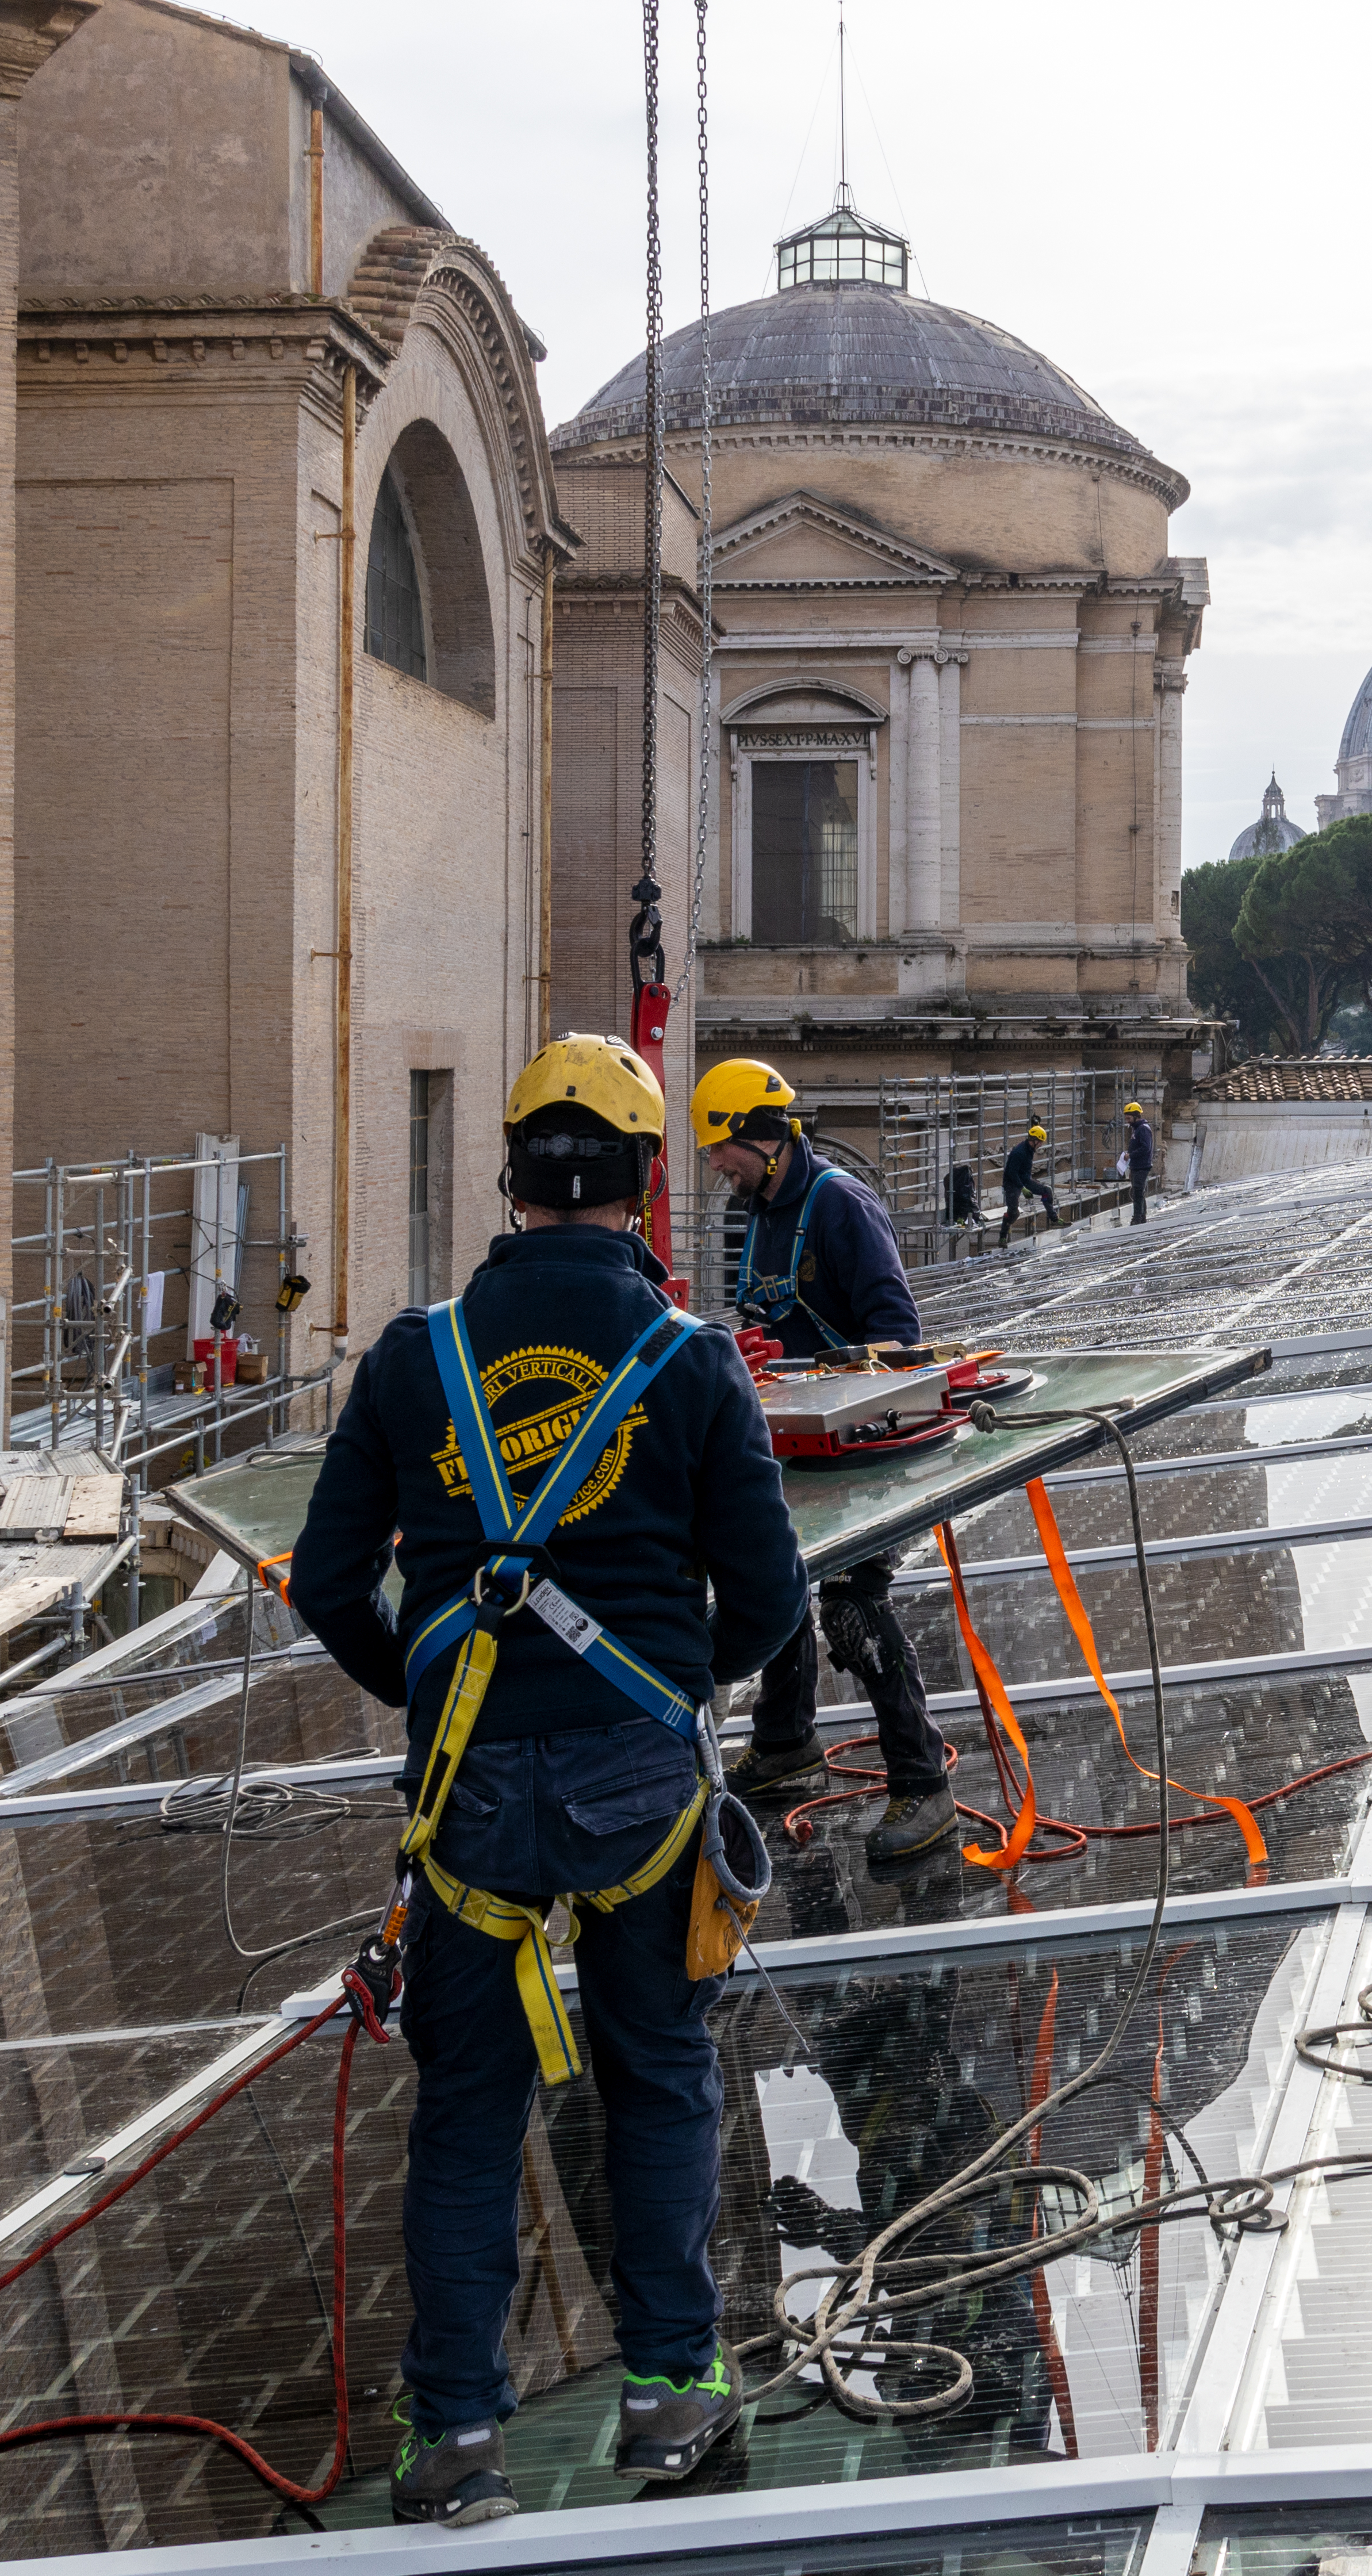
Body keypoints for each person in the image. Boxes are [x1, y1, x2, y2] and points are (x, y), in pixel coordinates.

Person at [287, 1034, 803, 2525]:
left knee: (468, 2112)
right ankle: (669, 2396)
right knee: (652, 2079)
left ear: (509, 1177)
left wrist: (424, 1683)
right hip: (636, 1788)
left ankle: (452, 2440)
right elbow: (769, 1599)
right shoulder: (690, 1362)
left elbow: (327, 1581)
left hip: (464, 1800)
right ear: (645, 1185)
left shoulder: (415, 1358)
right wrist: (670, 1676)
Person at [688, 1057, 961, 1865]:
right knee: (773, 1580)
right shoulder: (763, 1210)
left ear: (765, 1138)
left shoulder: (839, 1204)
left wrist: (826, 1377)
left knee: (851, 1602)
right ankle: (784, 1742)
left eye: (722, 1148)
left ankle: (922, 1784)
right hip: (798, 1445)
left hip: (864, 1447)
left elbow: (900, 1337)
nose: (716, 1165)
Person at [998, 1119, 1059, 1246]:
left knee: (1046, 1192)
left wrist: (1028, 1184)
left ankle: (1054, 1218)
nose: (1041, 1145)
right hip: (1012, 1183)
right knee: (1013, 1212)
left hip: (1025, 1180)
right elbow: (1012, 1173)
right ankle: (1003, 1237)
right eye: (1040, 1142)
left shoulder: (1030, 1150)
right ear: (1035, 1141)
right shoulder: (1019, 1152)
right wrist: (1023, 1189)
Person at [1121, 1099, 1157, 1225]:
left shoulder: (1143, 1129)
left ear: (1136, 1116)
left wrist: (1131, 1155)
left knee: (1137, 1192)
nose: (1127, 1120)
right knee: (1138, 1192)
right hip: (1136, 1166)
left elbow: (1145, 1148)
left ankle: (1138, 1219)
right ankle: (1141, 1217)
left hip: (1143, 1166)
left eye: (1129, 1117)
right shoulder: (1136, 1129)